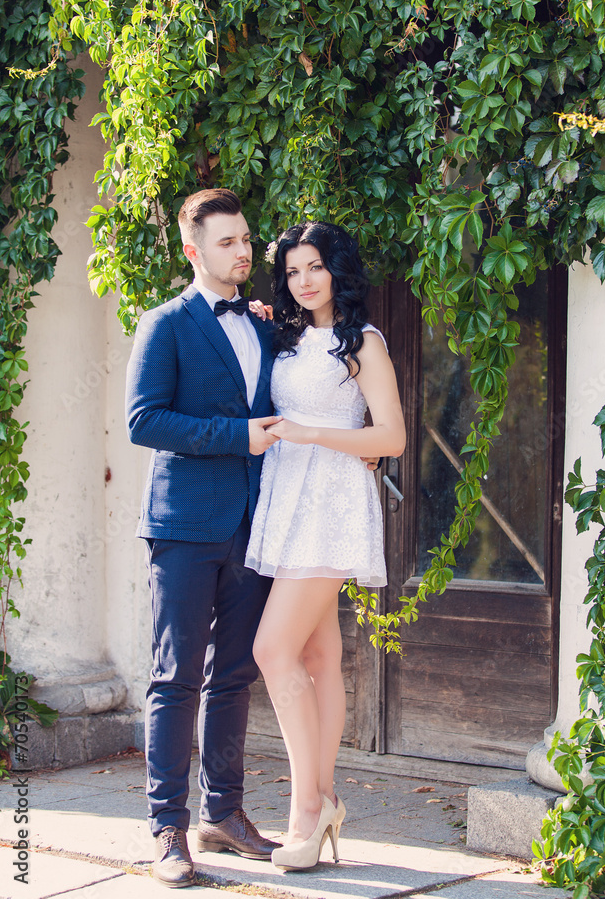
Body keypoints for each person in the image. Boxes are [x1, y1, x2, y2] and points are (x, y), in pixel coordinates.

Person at [125, 188, 285, 888]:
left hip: (253, 525)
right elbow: (144, 421)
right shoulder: (164, 324)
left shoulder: (263, 324)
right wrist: (235, 437)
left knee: (236, 674)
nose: (243, 251)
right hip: (184, 527)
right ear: (193, 250)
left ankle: (224, 812)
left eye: (246, 239)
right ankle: (168, 830)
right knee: (175, 676)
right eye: (226, 242)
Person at [244, 220, 406, 871]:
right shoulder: (284, 335)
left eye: (314, 267)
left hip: (330, 502)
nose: (304, 280)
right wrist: (257, 316)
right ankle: (327, 800)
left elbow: (389, 437)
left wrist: (313, 434)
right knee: (315, 652)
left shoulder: (361, 342)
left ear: (338, 268)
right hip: (289, 498)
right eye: (291, 271)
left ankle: (306, 813)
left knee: (271, 649)